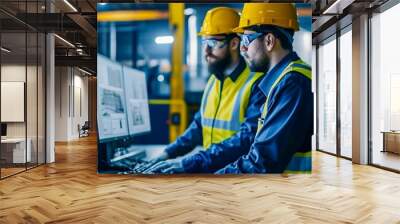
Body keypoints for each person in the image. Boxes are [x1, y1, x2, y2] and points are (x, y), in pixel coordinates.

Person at [144, 7, 265, 174]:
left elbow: (246, 140)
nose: (206, 51)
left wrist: (189, 164)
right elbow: (199, 126)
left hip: (236, 175)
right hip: (211, 170)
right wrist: (166, 154)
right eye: (204, 43)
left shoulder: (256, 84)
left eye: (212, 43)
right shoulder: (213, 82)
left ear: (234, 43)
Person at [215, 3, 313, 174]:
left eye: (246, 39)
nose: (242, 48)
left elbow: (262, 162)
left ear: (269, 41)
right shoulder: (283, 81)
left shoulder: (292, 84)